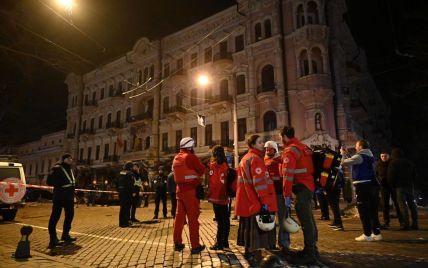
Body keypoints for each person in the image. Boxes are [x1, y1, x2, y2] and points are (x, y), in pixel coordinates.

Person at [236, 135, 277, 263]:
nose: (262, 144)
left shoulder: (244, 159)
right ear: (253, 145)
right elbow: (260, 183)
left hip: (246, 201)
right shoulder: (256, 159)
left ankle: (249, 252)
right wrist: (265, 202)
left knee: (248, 229)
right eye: (259, 142)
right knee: (256, 231)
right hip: (255, 201)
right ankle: (255, 256)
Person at [280, 127, 318, 265]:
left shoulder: (290, 150)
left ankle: (310, 253)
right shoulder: (303, 147)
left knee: (306, 221)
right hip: (308, 186)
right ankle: (313, 248)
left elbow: (288, 174)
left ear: (284, 136)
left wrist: (286, 194)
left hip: (302, 187)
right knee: (309, 219)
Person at [341, 140, 382, 241]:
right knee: (372, 210)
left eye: (356, 145)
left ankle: (367, 234)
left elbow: (344, 163)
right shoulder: (370, 156)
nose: (355, 147)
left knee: (363, 211)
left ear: (360, 146)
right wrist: (347, 154)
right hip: (371, 185)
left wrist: (342, 154)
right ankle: (377, 233)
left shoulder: (360, 156)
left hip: (362, 186)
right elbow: (353, 159)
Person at [172, 137, 206, 254]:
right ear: (191, 146)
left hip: (179, 191)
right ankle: (195, 245)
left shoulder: (176, 158)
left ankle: (177, 243)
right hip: (190, 191)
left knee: (179, 218)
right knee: (193, 219)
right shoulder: (190, 157)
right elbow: (202, 169)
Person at [47, 153, 77, 248]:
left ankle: (65, 235)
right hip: (59, 197)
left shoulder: (70, 169)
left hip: (69, 197)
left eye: (71, 158)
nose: (70, 160)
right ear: (64, 159)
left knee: (70, 215)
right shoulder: (57, 168)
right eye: (68, 158)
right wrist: (60, 184)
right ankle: (53, 239)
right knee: (55, 217)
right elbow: (49, 181)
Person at [264, 140, 290, 251]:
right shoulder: (264, 161)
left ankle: (283, 244)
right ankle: (270, 243)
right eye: (266, 148)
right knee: (270, 220)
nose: (267, 150)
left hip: (280, 194)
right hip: (269, 195)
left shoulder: (280, 160)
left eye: (270, 148)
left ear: (275, 149)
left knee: (283, 219)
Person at [387, 148, 419, 230]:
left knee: (402, 205)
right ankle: (415, 223)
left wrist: (392, 185)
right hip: (409, 186)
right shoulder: (409, 163)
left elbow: (391, 176)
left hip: (399, 187)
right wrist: (413, 184)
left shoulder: (393, 163)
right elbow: (415, 175)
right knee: (412, 204)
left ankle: (406, 224)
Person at [208, 145, 232, 250]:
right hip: (224, 197)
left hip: (216, 198)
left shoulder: (212, 166)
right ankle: (225, 242)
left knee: (220, 221)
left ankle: (219, 243)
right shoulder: (226, 166)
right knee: (225, 220)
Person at [376, 152, 402, 228]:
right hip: (384, 187)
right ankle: (386, 222)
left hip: (393, 186)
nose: (383, 157)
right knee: (385, 205)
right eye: (382, 156)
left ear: (389, 156)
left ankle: (402, 221)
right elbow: (376, 174)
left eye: (385, 156)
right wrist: (379, 181)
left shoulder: (392, 163)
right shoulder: (378, 164)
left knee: (397, 204)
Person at [118, 162, 135, 228]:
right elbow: (131, 184)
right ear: (130, 167)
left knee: (122, 208)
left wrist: (119, 190)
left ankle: (121, 223)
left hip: (121, 193)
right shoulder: (130, 174)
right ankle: (126, 223)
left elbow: (117, 182)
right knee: (127, 208)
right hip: (128, 193)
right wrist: (133, 192)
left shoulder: (120, 173)